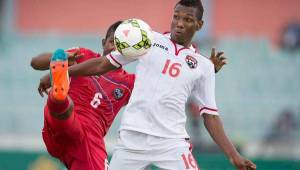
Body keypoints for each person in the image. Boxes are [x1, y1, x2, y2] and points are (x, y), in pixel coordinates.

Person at [39, 0, 255, 169]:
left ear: (199, 25)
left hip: (172, 142)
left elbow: (210, 116)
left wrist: (233, 155)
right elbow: (102, 64)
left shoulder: (203, 66)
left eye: (187, 19)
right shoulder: (148, 40)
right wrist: (63, 73)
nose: (179, 23)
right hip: (132, 139)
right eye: (176, 17)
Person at [31, 21, 137, 170]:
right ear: (103, 43)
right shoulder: (83, 55)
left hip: (88, 139)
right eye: (112, 42)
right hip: (65, 124)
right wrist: (63, 57)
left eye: (121, 45)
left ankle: (59, 90)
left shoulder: (129, 83)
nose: (115, 48)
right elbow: (35, 63)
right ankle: (59, 95)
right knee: (66, 108)